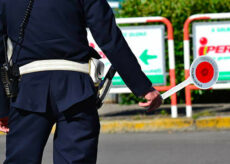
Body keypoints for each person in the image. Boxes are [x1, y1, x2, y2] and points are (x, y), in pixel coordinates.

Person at [0, 0, 162, 163]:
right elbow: (109, 37)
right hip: (77, 89)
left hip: (27, 92)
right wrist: (143, 87)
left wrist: (2, 109)